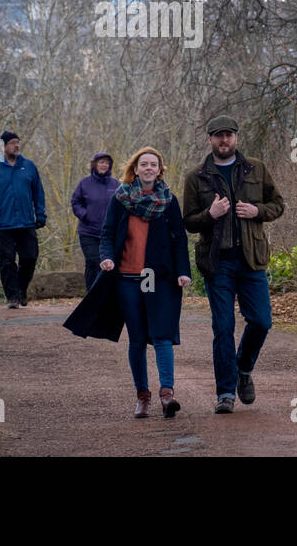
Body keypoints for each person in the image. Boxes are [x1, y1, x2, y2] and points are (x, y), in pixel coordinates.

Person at [182, 116, 284, 414]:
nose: (224, 141)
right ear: (210, 140)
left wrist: (257, 210)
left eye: (228, 135)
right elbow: (188, 221)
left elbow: (278, 205)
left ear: (236, 138)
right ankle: (225, 393)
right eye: (218, 136)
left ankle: (243, 369)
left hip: (252, 260)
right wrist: (210, 214)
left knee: (262, 322)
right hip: (218, 262)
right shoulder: (196, 176)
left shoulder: (256, 168)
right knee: (223, 328)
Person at [97, 147, 191, 418]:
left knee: (161, 336)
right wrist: (106, 258)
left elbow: (179, 239)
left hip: (159, 277)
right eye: (144, 164)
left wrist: (182, 271)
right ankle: (142, 396)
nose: (149, 168)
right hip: (127, 277)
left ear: (160, 170)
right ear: (135, 169)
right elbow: (107, 233)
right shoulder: (120, 198)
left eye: (154, 164)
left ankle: (166, 395)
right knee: (137, 339)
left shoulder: (169, 200)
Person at [0, 130, 47, 308]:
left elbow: (38, 192)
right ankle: (13, 297)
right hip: (3, 224)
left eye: (18, 142)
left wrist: (40, 214)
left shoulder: (29, 166)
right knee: (7, 261)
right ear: (3, 146)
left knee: (30, 258)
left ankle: (21, 289)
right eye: (12, 143)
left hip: (26, 222)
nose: (16, 145)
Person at [71, 152, 118, 290]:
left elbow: (122, 204)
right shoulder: (84, 183)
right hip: (88, 231)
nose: (104, 165)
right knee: (94, 261)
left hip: (109, 233)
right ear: (94, 164)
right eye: (101, 162)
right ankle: (92, 293)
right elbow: (75, 202)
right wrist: (85, 215)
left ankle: (104, 294)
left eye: (106, 162)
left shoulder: (116, 184)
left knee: (108, 263)